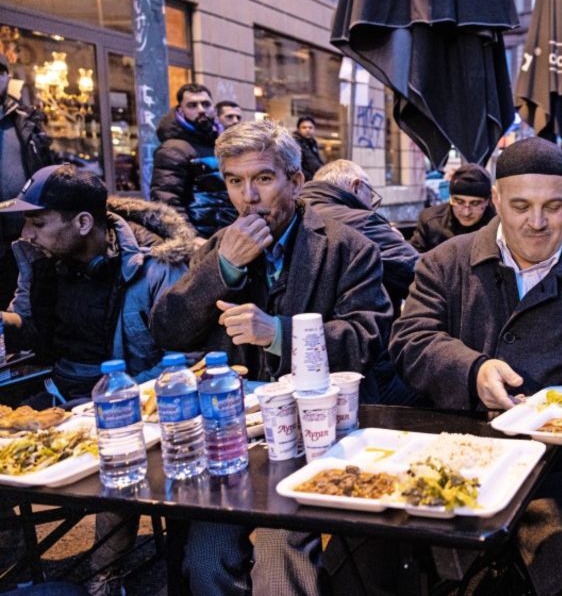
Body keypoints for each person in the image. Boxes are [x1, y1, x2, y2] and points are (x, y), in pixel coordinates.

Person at [389, 137, 562, 595]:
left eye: (552, 207)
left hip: (556, 468)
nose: (536, 223)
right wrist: (473, 370)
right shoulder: (443, 264)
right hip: (448, 451)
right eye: (520, 206)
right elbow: (410, 341)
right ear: (496, 200)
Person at [150, 119, 392, 596]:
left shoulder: (348, 246)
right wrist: (222, 269)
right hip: (235, 436)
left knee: (280, 558)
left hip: (313, 435)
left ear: (296, 181)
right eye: (235, 181)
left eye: (262, 178)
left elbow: (368, 338)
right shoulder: (223, 244)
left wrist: (278, 333)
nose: (248, 197)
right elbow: (168, 329)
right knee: (206, 556)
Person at [0, 164, 196, 594]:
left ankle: (105, 578)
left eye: (37, 222)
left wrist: (115, 399)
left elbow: (186, 360)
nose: (27, 234)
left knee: (117, 454)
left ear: (84, 222)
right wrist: (4, 323)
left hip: (128, 400)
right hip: (57, 399)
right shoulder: (42, 259)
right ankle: (12, 567)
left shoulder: (158, 264)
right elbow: (30, 325)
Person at [300, 159, 418, 315]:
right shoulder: (362, 221)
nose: (371, 206)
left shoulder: (296, 213)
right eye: (370, 196)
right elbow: (416, 272)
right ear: (356, 187)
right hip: (359, 327)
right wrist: (397, 240)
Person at [150, 83, 237, 238]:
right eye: (192, 105)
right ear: (180, 111)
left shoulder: (219, 143)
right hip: (200, 240)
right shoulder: (172, 149)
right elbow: (166, 201)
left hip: (227, 235)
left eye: (205, 104)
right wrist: (191, 238)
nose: (201, 110)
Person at [0, 55, 53, 308]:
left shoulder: (25, 122)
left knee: (30, 303)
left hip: (26, 233)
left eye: (1, 72)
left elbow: (47, 168)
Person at [410, 163, 496, 252]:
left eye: (475, 203)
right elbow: (413, 259)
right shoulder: (431, 221)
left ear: (488, 201)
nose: (466, 212)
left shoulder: (500, 226)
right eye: (459, 202)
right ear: (450, 198)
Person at [292, 116, 325, 180]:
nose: (307, 130)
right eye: (304, 127)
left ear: (314, 129)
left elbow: (317, 162)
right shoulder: (295, 144)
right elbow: (295, 167)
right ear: (298, 129)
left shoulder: (313, 143)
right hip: (304, 182)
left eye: (310, 127)